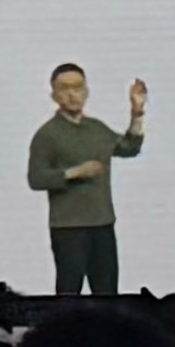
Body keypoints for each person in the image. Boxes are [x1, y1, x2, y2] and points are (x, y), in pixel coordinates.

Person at [27, 62, 146, 298]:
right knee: (69, 293)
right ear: (54, 95)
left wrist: (137, 114)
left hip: (102, 222)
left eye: (78, 87)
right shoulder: (47, 135)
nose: (73, 95)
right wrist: (73, 173)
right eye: (65, 89)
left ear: (87, 91)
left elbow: (129, 147)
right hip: (68, 227)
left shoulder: (96, 129)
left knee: (107, 293)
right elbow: (36, 178)